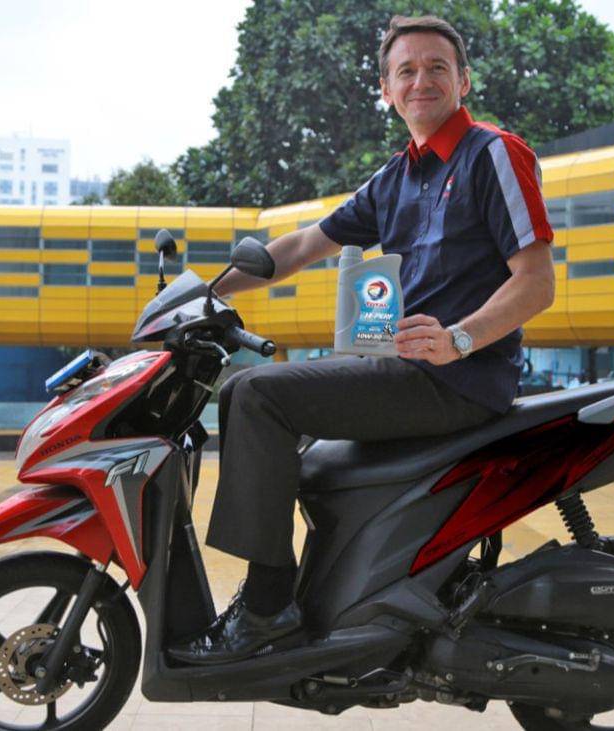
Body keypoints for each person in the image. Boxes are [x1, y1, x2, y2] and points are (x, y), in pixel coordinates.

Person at [167, 14, 555, 664]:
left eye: (436, 67)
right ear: (387, 90)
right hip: (407, 372)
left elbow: (537, 282)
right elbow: (300, 246)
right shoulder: (397, 177)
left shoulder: (492, 153)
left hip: (456, 377)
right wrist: (203, 298)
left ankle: (266, 609)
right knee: (285, 432)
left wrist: (460, 338)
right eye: (406, 70)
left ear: (463, 80)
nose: (421, 80)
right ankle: (343, 598)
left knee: (254, 394)